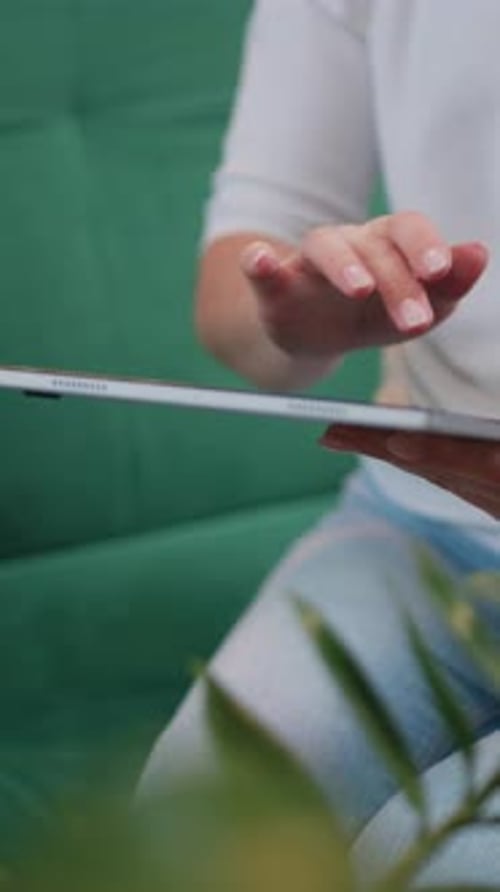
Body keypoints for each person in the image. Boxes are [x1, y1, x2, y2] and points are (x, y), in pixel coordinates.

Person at [140, 0, 500, 874]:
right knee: (188, 845)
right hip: (428, 527)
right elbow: (238, 285)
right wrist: (298, 314)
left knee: (437, 866)